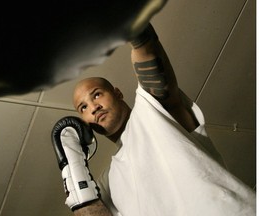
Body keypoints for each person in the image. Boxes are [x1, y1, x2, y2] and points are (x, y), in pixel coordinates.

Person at [62, 23, 255, 215]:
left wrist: (136, 26)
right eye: (83, 107)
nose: (94, 107)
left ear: (117, 93)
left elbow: (148, 52)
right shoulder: (107, 184)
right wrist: (73, 167)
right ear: (83, 121)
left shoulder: (152, 110)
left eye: (96, 95)